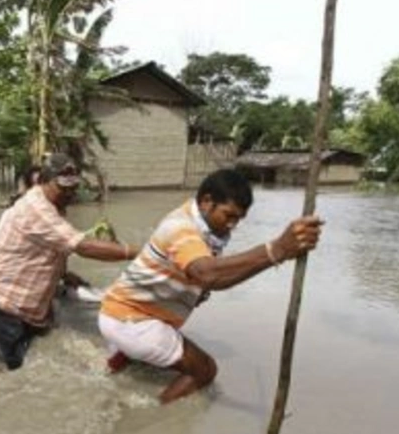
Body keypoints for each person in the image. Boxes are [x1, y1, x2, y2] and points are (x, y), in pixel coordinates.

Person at [98, 169, 323, 404]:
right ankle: (154, 414)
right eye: (229, 216)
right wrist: (276, 250)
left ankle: (119, 361)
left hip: (121, 311)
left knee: (162, 356)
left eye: (239, 220)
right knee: (205, 371)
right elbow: (209, 275)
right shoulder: (180, 228)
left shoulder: (204, 226)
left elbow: (210, 274)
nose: (232, 225)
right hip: (130, 319)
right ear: (206, 202)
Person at [0, 153, 139, 370]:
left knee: (37, 361)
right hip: (7, 302)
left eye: (73, 188)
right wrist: (136, 252)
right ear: (43, 180)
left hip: (32, 304)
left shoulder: (54, 207)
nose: (70, 194)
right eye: (63, 188)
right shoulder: (36, 208)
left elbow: (46, 248)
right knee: (11, 372)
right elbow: (82, 246)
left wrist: (63, 275)